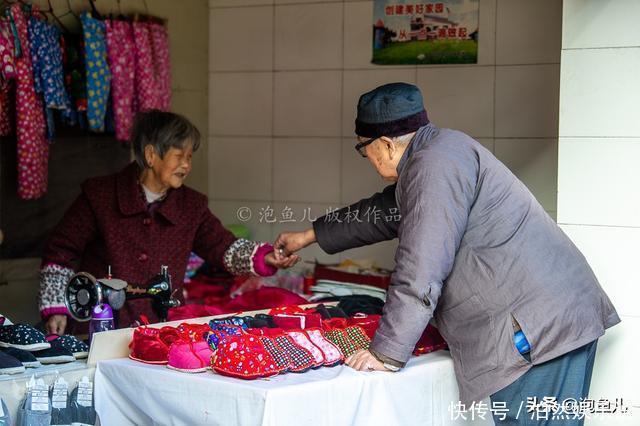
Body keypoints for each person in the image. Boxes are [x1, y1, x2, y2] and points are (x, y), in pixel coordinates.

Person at [274, 83, 619, 424]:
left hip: (536, 328)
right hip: (552, 315)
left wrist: (387, 352)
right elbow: (385, 211)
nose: (368, 158)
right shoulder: (442, 150)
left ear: (384, 144)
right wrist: (307, 237)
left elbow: (421, 265)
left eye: (364, 151)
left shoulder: (433, 166)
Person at [40, 110, 299, 335]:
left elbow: (224, 247)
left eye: (190, 157)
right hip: (102, 326)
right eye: (179, 156)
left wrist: (266, 258)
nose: (186, 165)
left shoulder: (191, 206)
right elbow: (60, 249)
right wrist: (56, 308)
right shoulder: (100, 196)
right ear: (151, 155)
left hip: (159, 329)